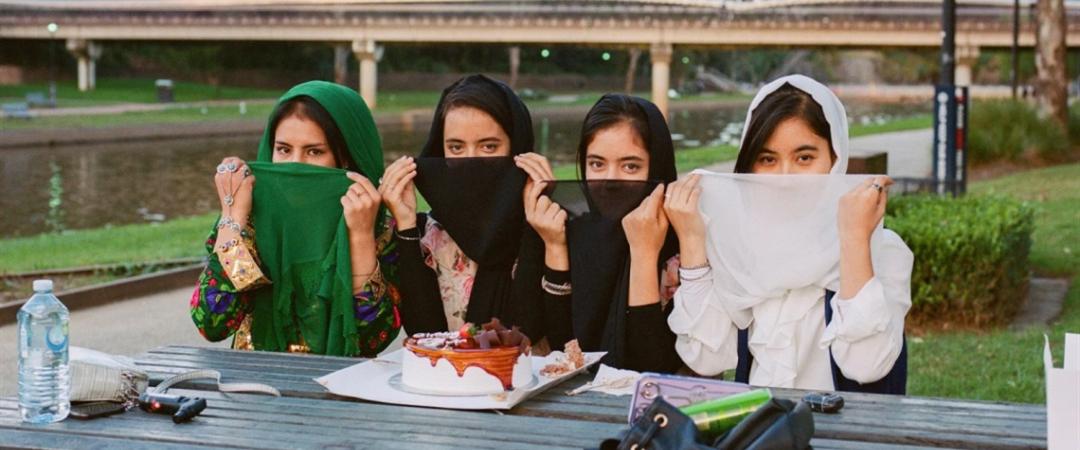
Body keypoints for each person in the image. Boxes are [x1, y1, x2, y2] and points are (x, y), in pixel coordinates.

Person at [665, 75, 913, 393]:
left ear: (835, 159)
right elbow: (706, 360)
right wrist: (692, 241)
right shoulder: (740, 250)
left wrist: (853, 241)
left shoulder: (883, 250)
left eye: (804, 158)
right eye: (767, 159)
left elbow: (866, 366)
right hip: (759, 435)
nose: (785, 178)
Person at [190, 80, 400, 357]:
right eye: (284, 150)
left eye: (314, 152)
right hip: (254, 386)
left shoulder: (378, 226)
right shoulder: (249, 217)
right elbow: (212, 323)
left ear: (346, 159)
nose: (295, 166)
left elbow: (373, 340)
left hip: (342, 388)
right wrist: (233, 219)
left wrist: (360, 238)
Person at [521, 94, 681, 372]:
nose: (610, 181)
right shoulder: (574, 227)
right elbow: (565, 350)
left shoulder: (679, 243)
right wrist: (555, 246)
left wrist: (644, 253)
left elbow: (652, 366)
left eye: (630, 166)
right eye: (596, 164)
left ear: (657, 167)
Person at [379, 74, 546, 341]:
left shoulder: (547, 225)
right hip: (442, 378)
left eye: (489, 146)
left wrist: (535, 228)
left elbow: (529, 328)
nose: (471, 160)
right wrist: (406, 225)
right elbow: (424, 333)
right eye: (456, 147)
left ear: (517, 147)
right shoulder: (428, 235)